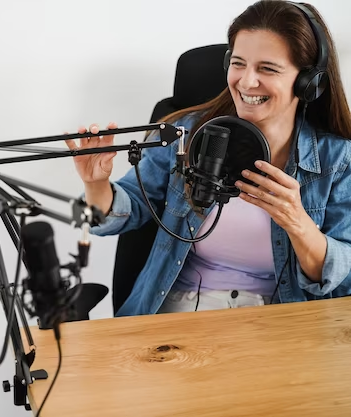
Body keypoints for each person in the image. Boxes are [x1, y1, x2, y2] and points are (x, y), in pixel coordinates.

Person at [66, 0, 351, 316]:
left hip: (275, 320)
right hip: (178, 310)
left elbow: (344, 279)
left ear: (308, 83)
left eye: (267, 68)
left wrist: (297, 222)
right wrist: (96, 184)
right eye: (238, 63)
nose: (246, 81)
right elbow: (131, 205)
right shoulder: (185, 132)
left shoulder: (338, 160)